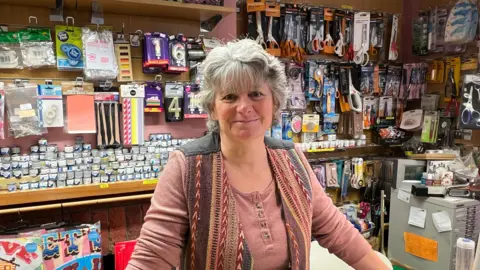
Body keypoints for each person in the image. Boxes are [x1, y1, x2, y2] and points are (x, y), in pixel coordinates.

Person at [127, 39, 389, 270]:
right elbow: (151, 257)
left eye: (255, 94)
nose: (244, 107)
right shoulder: (188, 166)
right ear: (212, 107)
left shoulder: (292, 158)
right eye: (229, 96)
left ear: (274, 101)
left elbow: (337, 231)